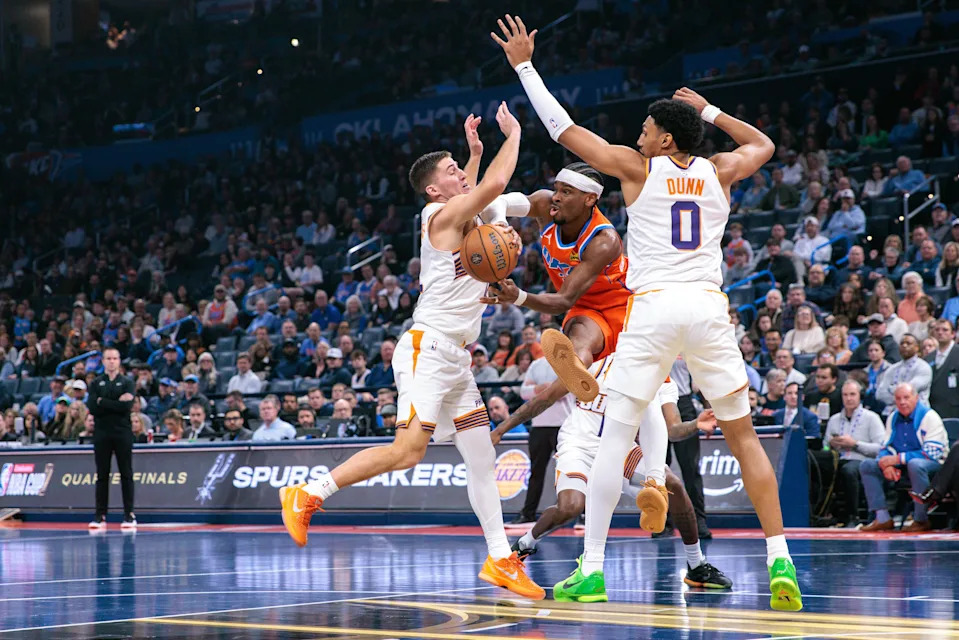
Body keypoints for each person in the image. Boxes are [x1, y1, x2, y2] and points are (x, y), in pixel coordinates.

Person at [494, 16, 800, 609]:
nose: (638, 134)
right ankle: (779, 556)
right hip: (710, 310)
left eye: (646, 127)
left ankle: (593, 569)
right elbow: (762, 144)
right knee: (742, 437)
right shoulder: (719, 171)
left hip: (654, 309)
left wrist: (524, 66)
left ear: (663, 141)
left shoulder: (637, 171)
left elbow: (563, 129)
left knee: (614, 438)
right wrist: (710, 111)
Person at [278, 104, 544, 600]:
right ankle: (308, 494)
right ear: (433, 191)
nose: (460, 175)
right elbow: (491, 187)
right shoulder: (437, 216)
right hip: (427, 349)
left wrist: (474, 152)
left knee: (481, 458)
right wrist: (514, 135)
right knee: (407, 452)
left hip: (457, 359)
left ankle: (500, 558)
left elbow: (485, 193)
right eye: (451, 172)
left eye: (459, 168)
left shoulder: (470, 216)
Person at [491, 356, 732, 592]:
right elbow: (545, 398)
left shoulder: (665, 381)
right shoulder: (598, 360)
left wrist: (696, 424)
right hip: (579, 442)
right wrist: (501, 429)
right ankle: (522, 547)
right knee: (570, 507)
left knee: (673, 485)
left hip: (620, 446)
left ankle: (696, 565)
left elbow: (673, 429)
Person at [480, 160, 631, 406]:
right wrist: (500, 224)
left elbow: (562, 301)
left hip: (619, 305)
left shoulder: (603, 240)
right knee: (579, 339)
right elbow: (497, 202)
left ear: (589, 199)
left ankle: (582, 373)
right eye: (557, 188)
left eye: (566, 192)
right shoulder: (546, 204)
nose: (556, 197)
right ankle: (578, 371)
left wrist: (518, 296)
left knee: (633, 392)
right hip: (584, 305)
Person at [859, 383, 949, 532]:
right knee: (867, 465)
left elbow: (932, 453)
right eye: (898, 398)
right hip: (903, 465)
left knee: (915, 464)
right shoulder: (893, 417)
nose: (902, 402)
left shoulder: (930, 417)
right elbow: (885, 447)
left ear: (916, 398)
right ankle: (882, 518)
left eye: (906, 397)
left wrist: (897, 460)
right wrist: (886, 464)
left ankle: (921, 519)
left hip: (934, 466)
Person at [821, 381, 885, 528]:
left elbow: (880, 448)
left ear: (859, 396)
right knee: (816, 466)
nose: (849, 398)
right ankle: (822, 514)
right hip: (838, 459)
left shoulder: (872, 418)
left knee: (848, 470)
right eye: (845, 395)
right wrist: (831, 444)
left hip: (862, 460)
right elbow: (824, 447)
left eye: (852, 394)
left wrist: (855, 444)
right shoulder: (834, 419)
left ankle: (852, 516)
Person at [86, 347, 137, 531]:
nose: (112, 361)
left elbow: (127, 406)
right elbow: (92, 407)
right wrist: (115, 402)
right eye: (108, 358)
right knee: (102, 475)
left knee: (126, 473)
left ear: (119, 360)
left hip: (122, 432)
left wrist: (103, 402)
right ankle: (100, 515)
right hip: (102, 433)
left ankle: (129, 514)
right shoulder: (96, 383)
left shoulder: (127, 382)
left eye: (115, 358)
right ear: (103, 361)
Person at [927, 319, 959, 420]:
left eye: (945, 330)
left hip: (955, 410)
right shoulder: (928, 358)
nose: (940, 332)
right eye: (937, 330)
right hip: (934, 410)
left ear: (953, 333)